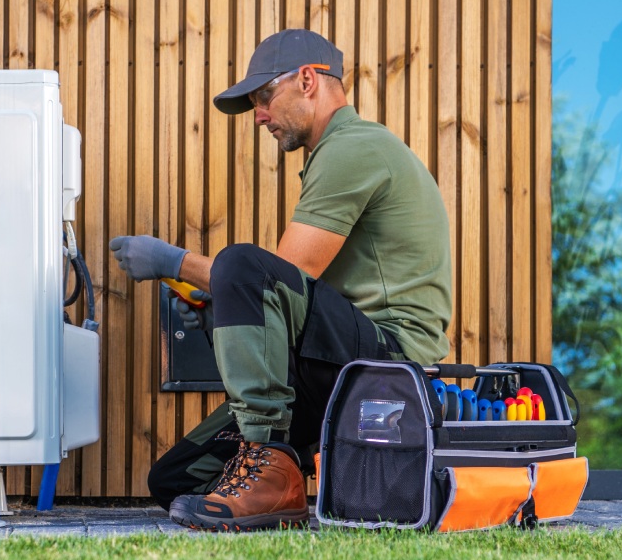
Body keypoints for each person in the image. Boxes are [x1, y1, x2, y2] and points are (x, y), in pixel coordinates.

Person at [109, 28, 452, 532]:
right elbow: (291, 300)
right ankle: (272, 472)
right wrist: (216, 305)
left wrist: (173, 261)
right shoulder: (335, 154)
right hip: (338, 362)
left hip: (390, 363)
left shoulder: (353, 148)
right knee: (176, 480)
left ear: (309, 80)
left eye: (265, 97)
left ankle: (271, 463)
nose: (260, 115)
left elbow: (283, 275)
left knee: (243, 264)